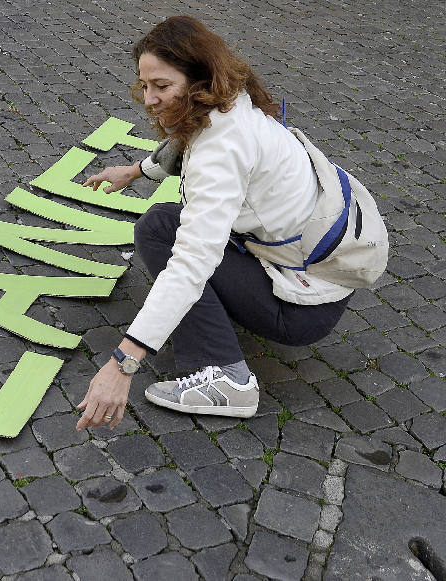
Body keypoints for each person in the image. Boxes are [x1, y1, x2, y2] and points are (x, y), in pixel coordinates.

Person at [75, 15, 357, 430]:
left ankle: (227, 379)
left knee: (170, 244)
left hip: (303, 308)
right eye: (146, 85)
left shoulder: (222, 150)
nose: (149, 99)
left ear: (198, 79)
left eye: (162, 86)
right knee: (158, 223)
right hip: (314, 268)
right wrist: (136, 170)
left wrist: (122, 363)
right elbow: (189, 139)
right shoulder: (231, 100)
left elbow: (191, 263)